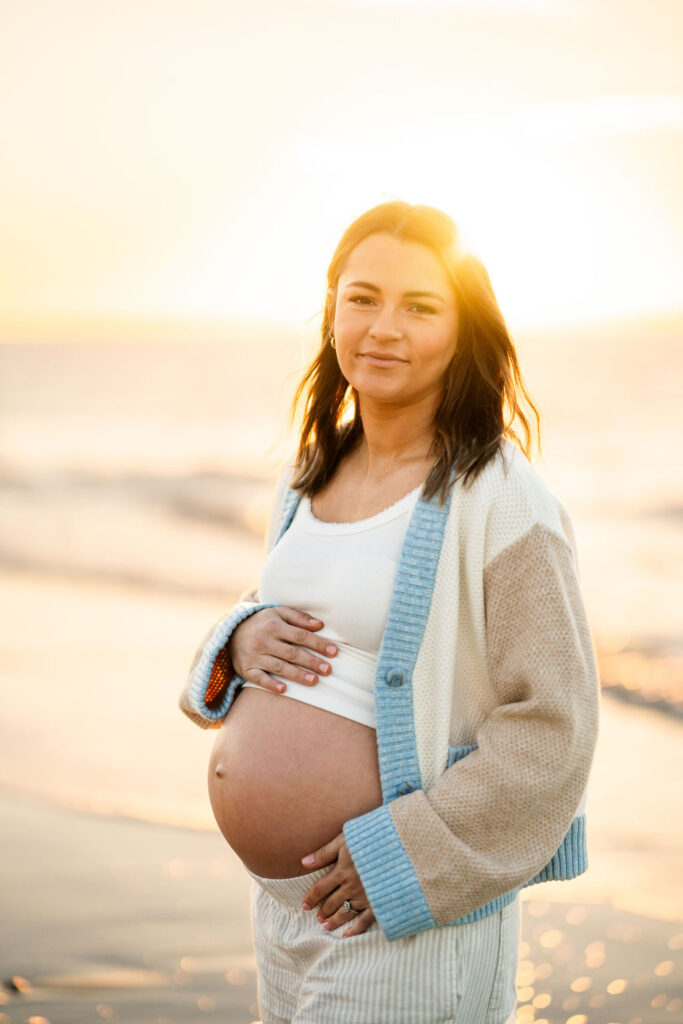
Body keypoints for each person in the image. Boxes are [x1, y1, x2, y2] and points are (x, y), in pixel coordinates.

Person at [178, 200, 601, 1024]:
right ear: (332, 306)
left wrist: (405, 858)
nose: (382, 328)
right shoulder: (310, 475)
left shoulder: (503, 500)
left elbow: (556, 725)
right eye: (362, 297)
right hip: (288, 914)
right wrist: (241, 634)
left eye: (419, 307)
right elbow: (300, 620)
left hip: (400, 920)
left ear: (462, 330)